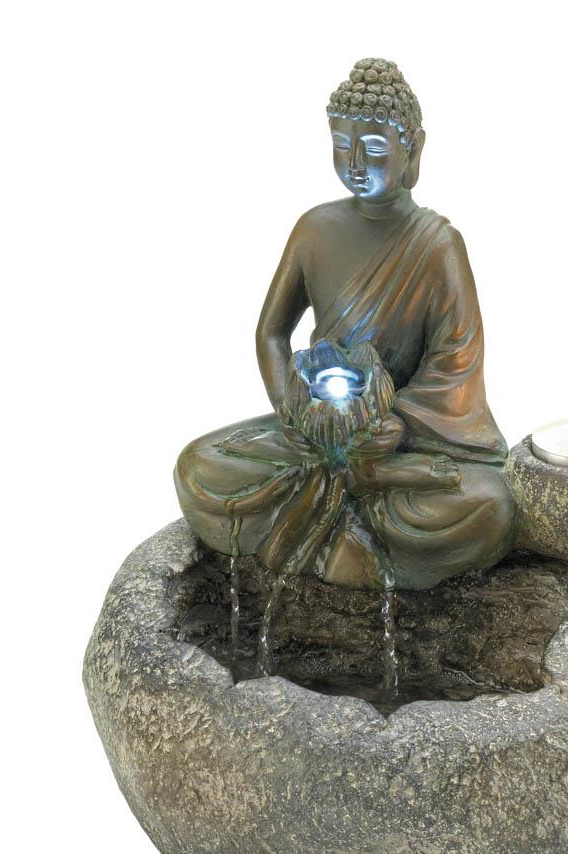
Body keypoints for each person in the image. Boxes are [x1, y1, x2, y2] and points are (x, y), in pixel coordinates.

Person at [175, 58, 515, 590]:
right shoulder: (314, 229)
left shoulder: (438, 245)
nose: (355, 163)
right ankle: (354, 532)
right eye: (341, 145)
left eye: (374, 148)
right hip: (317, 430)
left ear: (413, 150)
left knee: (493, 504)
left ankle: (328, 524)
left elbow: (456, 363)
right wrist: (292, 409)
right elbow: (271, 332)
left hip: (399, 441)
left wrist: (397, 424)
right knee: (198, 467)